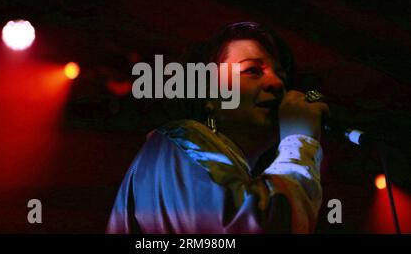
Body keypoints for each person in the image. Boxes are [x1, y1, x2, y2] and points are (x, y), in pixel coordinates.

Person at [106, 22, 329, 233]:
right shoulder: (180, 140)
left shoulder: (241, 176)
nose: (277, 84)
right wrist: (300, 140)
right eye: (252, 70)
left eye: (281, 75)